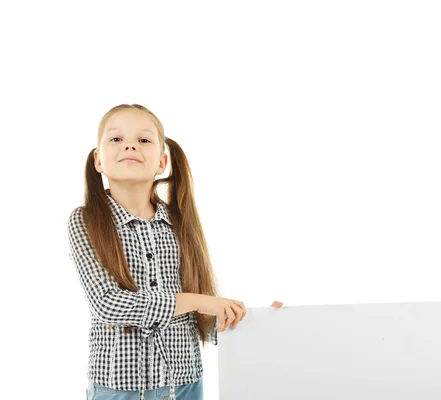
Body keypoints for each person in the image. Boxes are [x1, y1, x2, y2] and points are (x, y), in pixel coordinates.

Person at [67, 104, 284, 400]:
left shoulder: (179, 223)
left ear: (161, 162)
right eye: (116, 139)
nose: (130, 144)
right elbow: (109, 305)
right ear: (98, 160)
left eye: (144, 140)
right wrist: (198, 302)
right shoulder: (85, 220)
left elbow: (203, 316)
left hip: (185, 385)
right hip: (118, 389)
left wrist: (256, 322)